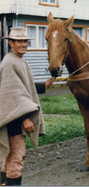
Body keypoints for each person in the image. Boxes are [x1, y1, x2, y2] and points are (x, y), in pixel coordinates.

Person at [0, 27, 54, 185]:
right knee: (17, 157)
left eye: (25, 41)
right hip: (15, 118)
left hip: (13, 115)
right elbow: (12, 94)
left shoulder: (17, 59)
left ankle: (3, 183)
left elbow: (23, 87)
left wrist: (43, 85)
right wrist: (25, 118)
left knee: (9, 156)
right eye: (19, 41)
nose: (23, 44)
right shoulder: (10, 62)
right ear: (11, 43)